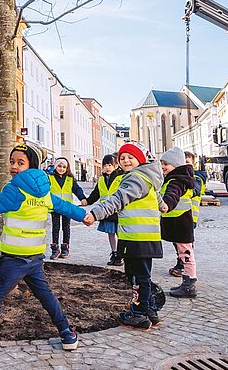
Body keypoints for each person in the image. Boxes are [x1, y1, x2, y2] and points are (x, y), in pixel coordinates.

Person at [0, 142, 87, 358]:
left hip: (14, 259)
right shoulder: (44, 192)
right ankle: (67, 333)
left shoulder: (14, 190)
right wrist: (85, 216)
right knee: (46, 296)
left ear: (32, 165)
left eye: (20, 162)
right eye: (12, 162)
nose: (14, 166)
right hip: (35, 258)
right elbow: (65, 206)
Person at [83, 141, 164, 329]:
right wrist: (163, 205)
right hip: (148, 237)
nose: (126, 160)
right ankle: (150, 310)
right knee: (143, 275)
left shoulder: (135, 179)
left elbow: (118, 199)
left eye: (130, 157)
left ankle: (139, 313)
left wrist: (95, 214)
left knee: (135, 276)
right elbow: (158, 199)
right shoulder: (148, 178)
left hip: (135, 237)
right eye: (122, 158)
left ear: (140, 159)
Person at [160, 147, 198, 298]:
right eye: (162, 163)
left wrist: (166, 205)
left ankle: (189, 285)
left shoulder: (176, 180)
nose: (163, 167)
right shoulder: (177, 178)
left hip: (181, 222)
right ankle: (187, 282)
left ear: (176, 166)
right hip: (178, 222)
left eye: (166, 164)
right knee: (183, 252)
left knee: (186, 253)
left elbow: (172, 194)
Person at [86, 154, 125, 266]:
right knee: (110, 233)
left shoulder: (121, 177)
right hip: (106, 212)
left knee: (120, 233)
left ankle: (120, 255)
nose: (107, 168)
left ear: (116, 166)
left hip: (118, 211)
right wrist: (88, 201)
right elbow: (96, 194)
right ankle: (114, 252)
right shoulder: (102, 179)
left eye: (110, 165)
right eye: (105, 165)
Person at [48, 157, 87, 260]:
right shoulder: (50, 178)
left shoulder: (70, 179)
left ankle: (65, 248)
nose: (61, 169)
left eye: (64, 167)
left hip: (67, 208)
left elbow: (77, 189)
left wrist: (82, 198)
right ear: (55, 166)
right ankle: (55, 249)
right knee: (55, 228)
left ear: (67, 168)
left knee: (66, 227)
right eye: (59, 166)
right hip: (55, 207)